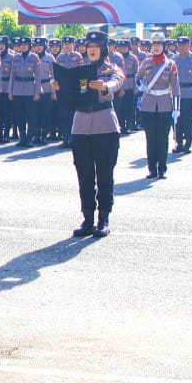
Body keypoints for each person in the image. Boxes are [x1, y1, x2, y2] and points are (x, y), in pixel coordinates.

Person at [58, 30, 124, 237]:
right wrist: (59, 88)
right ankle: (87, 218)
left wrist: (105, 87)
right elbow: (69, 98)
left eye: (95, 47)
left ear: (103, 49)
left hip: (105, 124)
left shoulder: (112, 68)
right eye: (89, 47)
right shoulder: (79, 71)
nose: (92, 50)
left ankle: (103, 217)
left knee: (105, 174)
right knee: (84, 175)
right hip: (80, 126)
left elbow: (117, 82)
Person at [135, 33, 178, 178]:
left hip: (165, 105)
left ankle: (162, 168)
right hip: (148, 105)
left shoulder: (170, 64)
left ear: (164, 46)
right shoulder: (146, 62)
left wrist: (176, 108)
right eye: (154, 45)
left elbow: (175, 87)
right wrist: (140, 85)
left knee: (163, 138)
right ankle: (152, 168)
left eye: (159, 44)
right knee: (151, 138)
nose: (156, 47)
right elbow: (137, 78)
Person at [172, 35, 192, 155]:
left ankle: (188, 143)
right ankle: (178, 143)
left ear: (188, 45)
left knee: (188, 119)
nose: (182, 47)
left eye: (184, 45)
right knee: (176, 120)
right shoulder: (173, 59)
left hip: (190, 92)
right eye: (179, 45)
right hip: (176, 93)